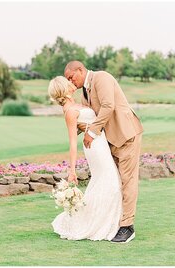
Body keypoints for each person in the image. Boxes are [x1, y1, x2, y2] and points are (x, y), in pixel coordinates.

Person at [64, 61, 144, 243]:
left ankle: (127, 227)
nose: (71, 81)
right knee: (115, 181)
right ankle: (115, 222)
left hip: (126, 134)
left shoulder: (102, 78)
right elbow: (91, 117)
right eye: (68, 79)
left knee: (127, 181)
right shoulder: (84, 93)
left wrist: (92, 132)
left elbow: (108, 106)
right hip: (109, 141)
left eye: (71, 77)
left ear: (80, 70)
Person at [49, 76, 122, 241]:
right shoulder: (70, 111)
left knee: (108, 180)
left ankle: (105, 221)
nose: (71, 83)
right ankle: (98, 223)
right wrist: (72, 170)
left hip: (100, 142)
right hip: (94, 147)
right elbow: (73, 143)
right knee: (109, 181)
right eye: (67, 82)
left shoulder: (76, 104)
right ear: (63, 89)